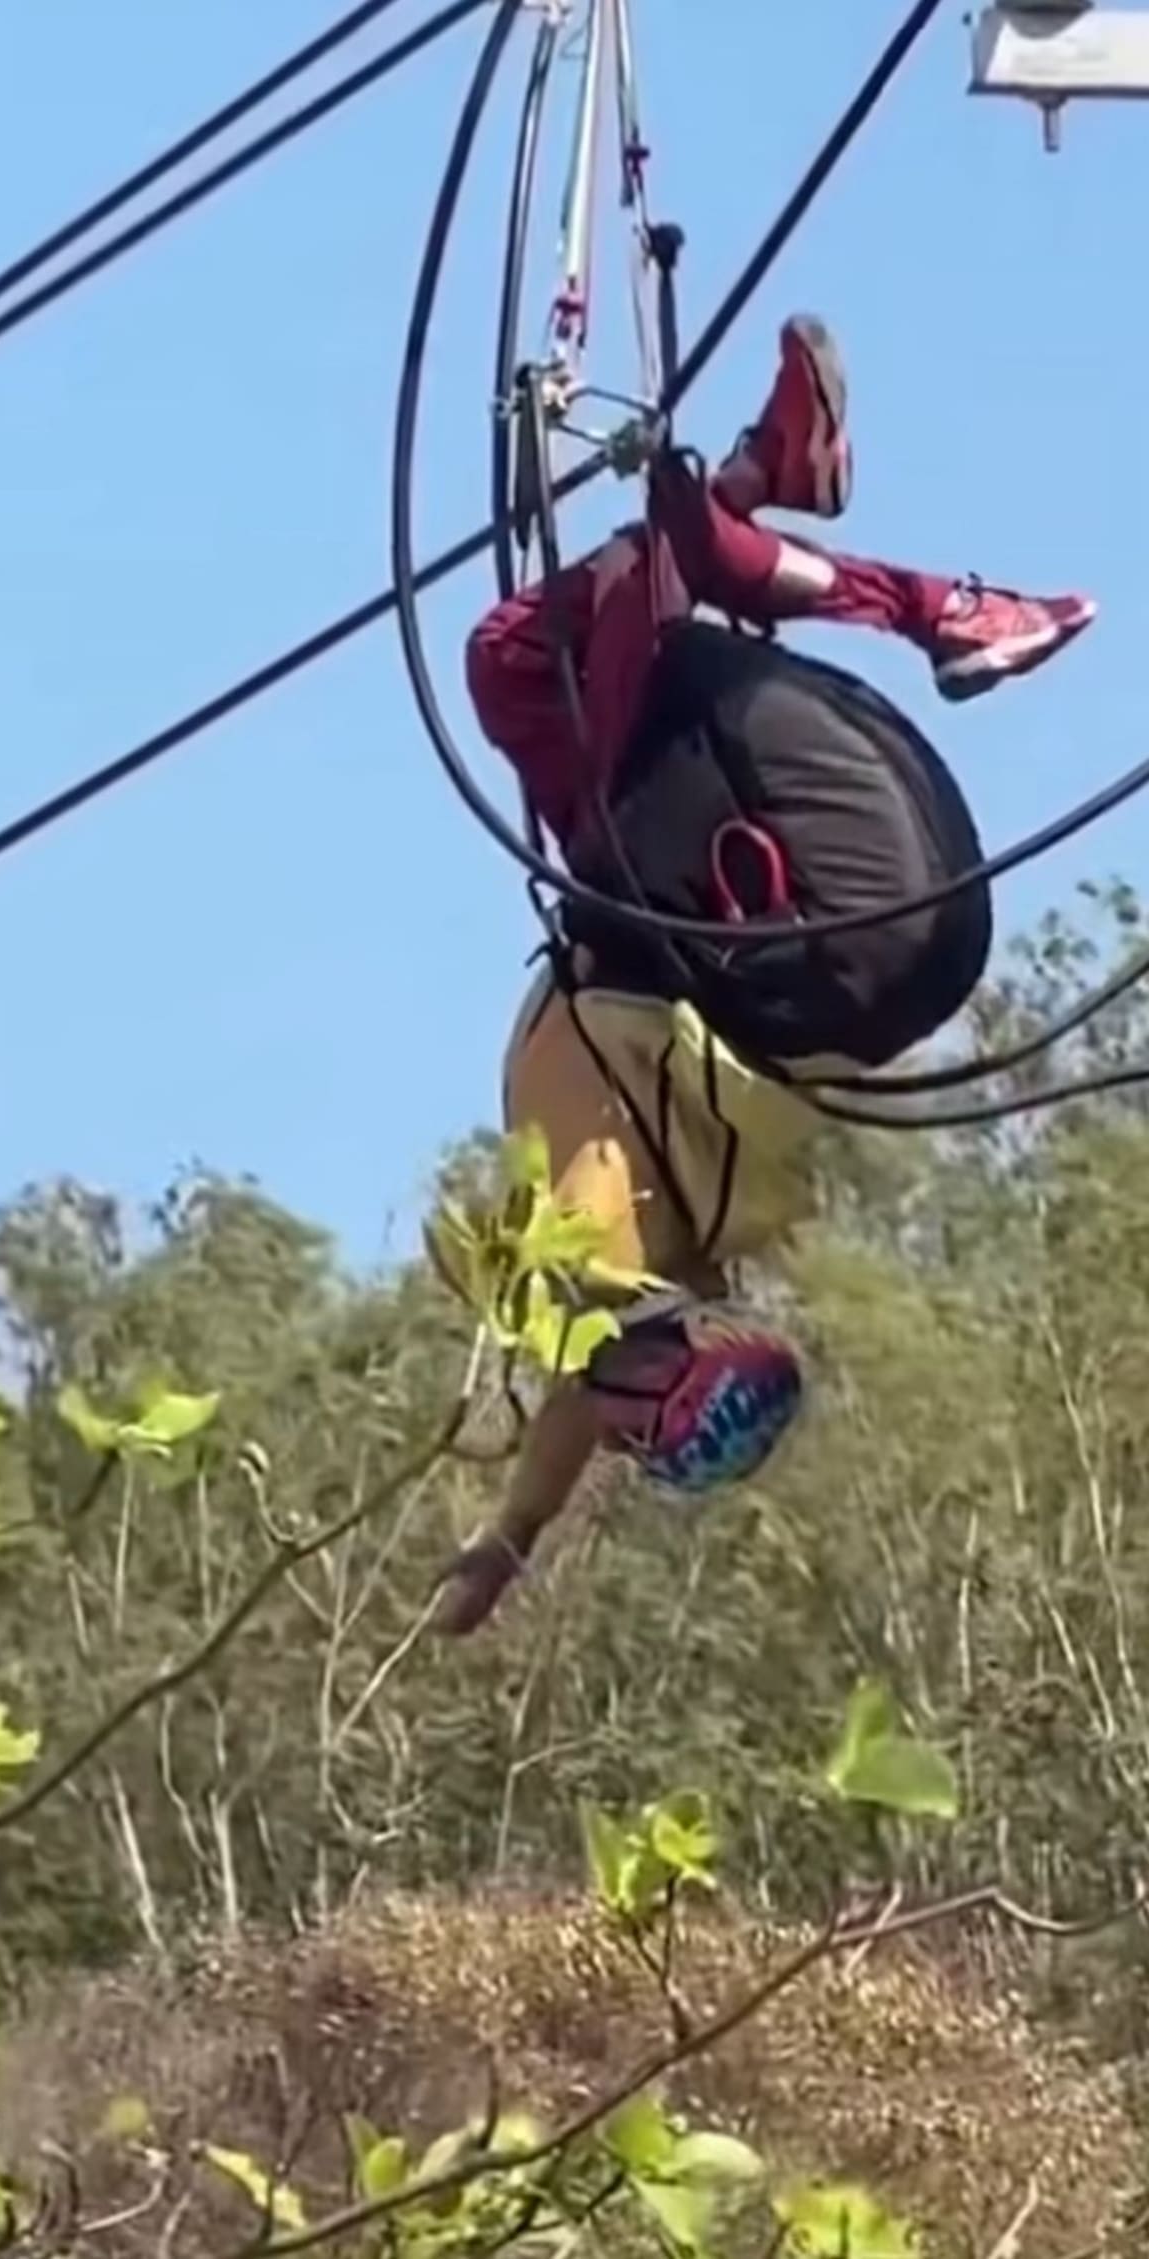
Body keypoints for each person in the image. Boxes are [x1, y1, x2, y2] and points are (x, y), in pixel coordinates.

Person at [432, 316, 1096, 1637]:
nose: (605, 1413)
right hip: (814, 934)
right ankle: (919, 596)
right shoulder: (616, 1258)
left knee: (628, 633)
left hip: (869, 950)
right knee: (522, 662)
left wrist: (504, 1548)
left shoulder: (645, 1257)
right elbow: (587, 1363)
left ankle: (758, 488)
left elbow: (573, 1395)